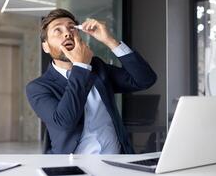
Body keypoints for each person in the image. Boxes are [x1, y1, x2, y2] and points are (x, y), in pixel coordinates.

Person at [26, 9, 157, 154]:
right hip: (74, 168)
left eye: (71, 28)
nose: (67, 33)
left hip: (116, 161)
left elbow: (145, 79)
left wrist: (110, 40)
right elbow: (64, 123)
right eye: (58, 30)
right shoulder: (37, 88)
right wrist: (81, 67)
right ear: (45, 46)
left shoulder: (98, 68)